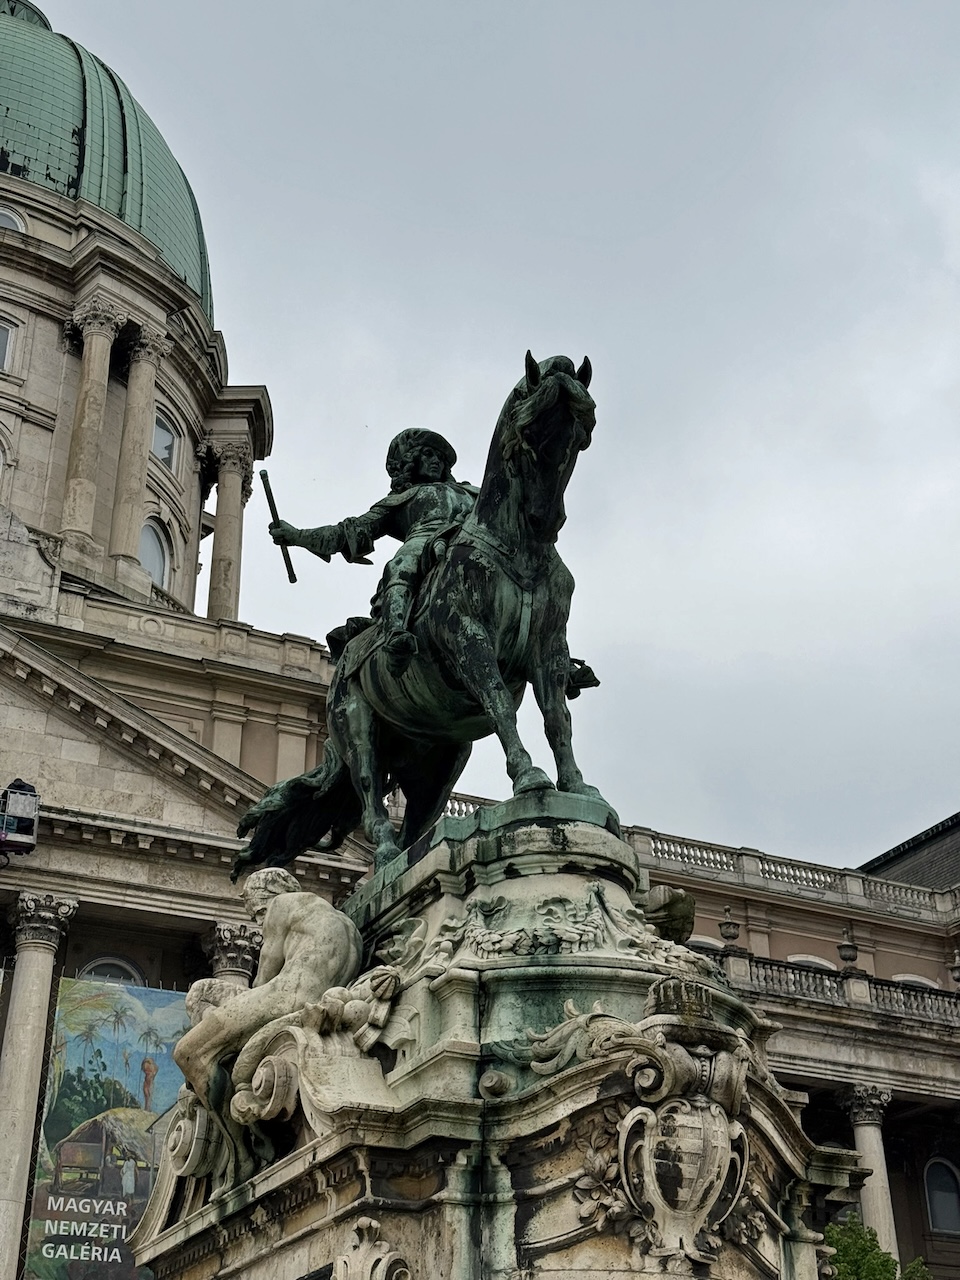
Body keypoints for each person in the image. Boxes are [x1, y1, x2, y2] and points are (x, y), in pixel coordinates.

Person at [173, 867, 362, 1186]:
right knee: (204, 998)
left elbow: (263, 980)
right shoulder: (341, 923)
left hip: (281, 997)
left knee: (188, 1052)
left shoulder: (282, 905)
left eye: (256, 912)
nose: (259, 920)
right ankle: (221, 1069)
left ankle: (239, 1155)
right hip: (306, 998)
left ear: (267, 896)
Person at [269, 429, 476, 671]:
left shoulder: (471, 492)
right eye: (428, 454)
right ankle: (396, 633)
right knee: (401, 566)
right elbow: (348, 532)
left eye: (440, 458)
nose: (436, 461)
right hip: (424, 543)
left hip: (473, 542)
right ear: (410, 462)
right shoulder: (401, 500)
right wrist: (298, 536)